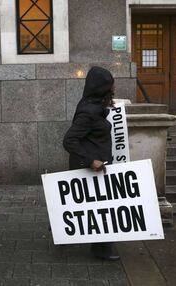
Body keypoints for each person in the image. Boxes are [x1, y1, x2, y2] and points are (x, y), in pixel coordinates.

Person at [63, 66, 119, 261]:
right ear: (100, 88)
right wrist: (90, 161)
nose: (113, 90)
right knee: (102, 209)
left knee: (98, 208)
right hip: (92, 168)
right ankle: (102, 250)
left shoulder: (92, 105)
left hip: (97, 167)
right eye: (110, 86)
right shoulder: (88, 111)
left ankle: (101, 247)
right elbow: (69, 140)